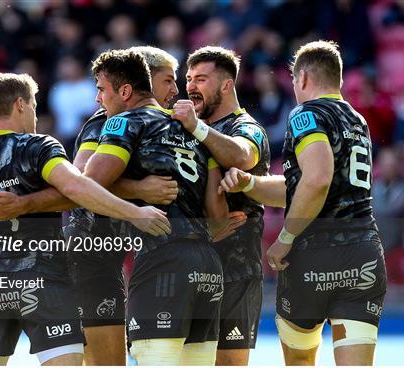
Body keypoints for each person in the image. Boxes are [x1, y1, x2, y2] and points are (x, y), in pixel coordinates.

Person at [0, 46, 181, 365]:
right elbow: (81, 181)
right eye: (168, 80)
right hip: (90, 252)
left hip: (118, 254)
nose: (176, 90)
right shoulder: (104, 123)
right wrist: (138, 191)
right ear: (144, 83)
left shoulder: (160, 124)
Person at [219, 40, 386, 366]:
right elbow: (307, 187)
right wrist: (250, 183)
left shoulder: (306, 114)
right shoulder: (357, 121)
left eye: (294, 81)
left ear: (304, 79)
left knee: (299, 361)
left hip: (316, 255)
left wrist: (286, 238)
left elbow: (317, 180)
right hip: (364, 250)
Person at [86, 49, 227, 365]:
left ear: (125, 92)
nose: (98, 99)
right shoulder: (196, 131)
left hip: (162, 262)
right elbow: (218, 219)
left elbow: (86, 186)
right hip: (207, 266)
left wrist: (135, 192)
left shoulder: (125, 122)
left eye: (101, 89)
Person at [171, 46, 270, 365]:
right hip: (185, 267)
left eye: (201, 79)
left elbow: (242, 156)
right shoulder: (183, 131)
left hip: (235, 270)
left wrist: (197, 128)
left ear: (227, 85)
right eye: (188, 78)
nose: (190, 86)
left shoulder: (247, 127)